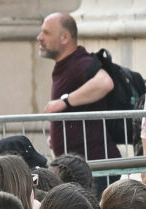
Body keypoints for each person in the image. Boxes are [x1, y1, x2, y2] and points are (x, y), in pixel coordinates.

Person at [38, 13, 117, 165]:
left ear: (65, 38)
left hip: (95, 166)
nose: (39, 37)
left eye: (46, 33)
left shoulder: (81, 62)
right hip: (78, 166)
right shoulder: (65, 64)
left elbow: (105, 82)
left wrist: (64, 102)